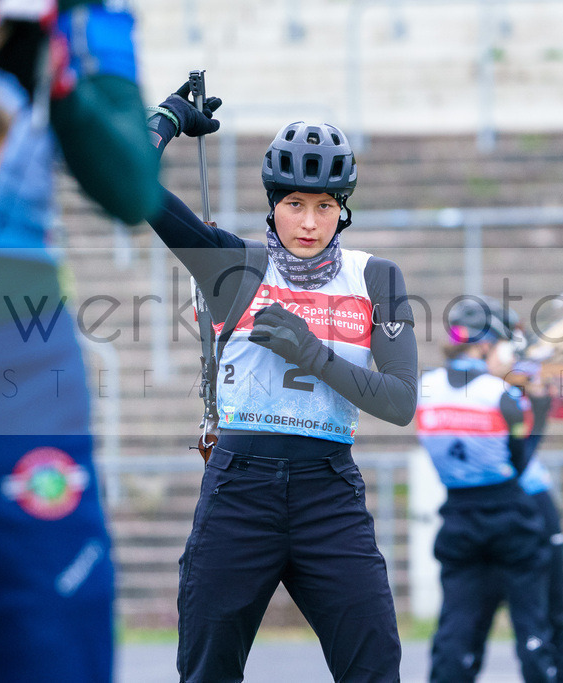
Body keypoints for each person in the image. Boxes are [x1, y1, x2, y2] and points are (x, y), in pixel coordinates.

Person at [144, 85, 418, 682]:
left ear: (343, 208)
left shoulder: (377, 277)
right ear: (273, 204)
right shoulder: (230, 265)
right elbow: (134, 181)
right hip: (239, 492)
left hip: (330, 495)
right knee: (207, 671)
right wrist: (164, 119)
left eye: (325, 206)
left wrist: (314, 355)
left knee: (374, 668)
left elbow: (400, 403)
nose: (310, 222)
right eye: (296, 202)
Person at [0, 1, 163, 681]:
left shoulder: (79, 13)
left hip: (17, 304)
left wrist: (56, 79)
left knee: (51, 636)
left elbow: (133, 187)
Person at [415, 296, 557, 683]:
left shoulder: (424, 387)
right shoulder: (501, 395)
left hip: (458, 513)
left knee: (456, 629)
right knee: (532, 626)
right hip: (509, 513)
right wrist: (541, 409)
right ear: (484, 345)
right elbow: (520, 461)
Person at [465, 368, 563, 683]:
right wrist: (540, 414)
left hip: (532, 502)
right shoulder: (485, 390)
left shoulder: (520, 380)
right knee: (488, 623)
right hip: (509, 503)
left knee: (552, 618)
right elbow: (519, 459)